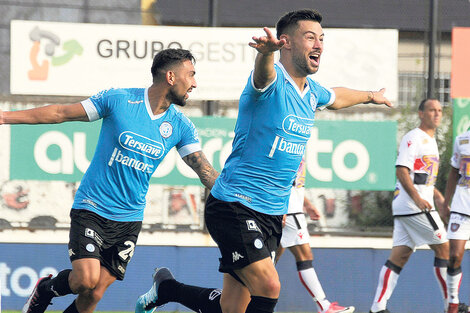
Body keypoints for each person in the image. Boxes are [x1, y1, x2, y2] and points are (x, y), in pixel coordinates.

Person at [136, 8, 391, 313]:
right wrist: (265, 54)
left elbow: (336, 97)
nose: (319, 44)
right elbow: (263, 74)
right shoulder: (271, 82)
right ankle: (167, 288)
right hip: (235, 205)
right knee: (269, 287)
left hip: (271, 214)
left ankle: (167, 288)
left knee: (232, 307)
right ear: (286, 42)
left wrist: (371, 95)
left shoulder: (311, 92)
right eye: (310, 37)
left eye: (322, 38)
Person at [0, 48, 218, 313]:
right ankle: (45, 290)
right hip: (92, 207)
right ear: (171, 77)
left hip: (129, 220)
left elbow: (204, 170)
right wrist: (4, 116)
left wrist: (241, 201)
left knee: (94, 295)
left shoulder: (180, 126)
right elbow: (60, 113)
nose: (194, 83)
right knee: (84, 280)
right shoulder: (119, 100)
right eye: (191, 75)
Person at [369, 99, 450, 313]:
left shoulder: (431, 141)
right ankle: (451, 305)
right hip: (413, 206)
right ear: (421, 113)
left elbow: (423, 177)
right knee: (445, 248)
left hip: (412, 205)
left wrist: (439, 198)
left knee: (400, 255)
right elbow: (401, 170)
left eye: (440, 110)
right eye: (432, 110)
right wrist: (416, 198)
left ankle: (377, 307)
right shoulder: (413, 137)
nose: (437, 114)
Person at [274, 157, 354, 313]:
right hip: (289, 211)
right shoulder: (290, 143)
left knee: (270, 260)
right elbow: (279, 177)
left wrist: (308, 205)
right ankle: (323, 306)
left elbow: (293, 184)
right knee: (304, 256)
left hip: (289, 208)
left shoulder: (296, 144)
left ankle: (247, 300)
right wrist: (282, 208)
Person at [442, 127, 470, 313]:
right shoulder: (462, 140)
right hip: (462, 205)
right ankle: (453, 305)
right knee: (454, 256)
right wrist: (446, 203)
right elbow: (453, 172)